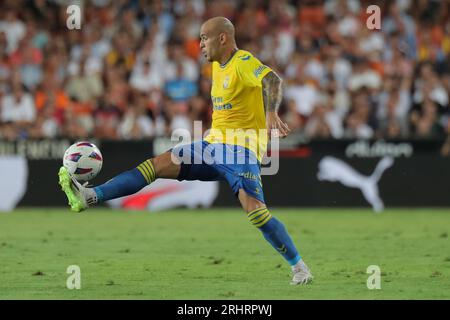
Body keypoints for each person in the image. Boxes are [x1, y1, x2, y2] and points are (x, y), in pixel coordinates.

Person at [58, 17, 313, 285]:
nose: (200, 44)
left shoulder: (242, 62)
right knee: (157, 164)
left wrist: (271, 112)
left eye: (205, 38)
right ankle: (90, 196)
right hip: (212, 146)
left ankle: (299, 267)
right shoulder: (217, 67)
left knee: (256, 213)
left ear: (223, 38)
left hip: (241, 150)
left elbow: (272, 80)